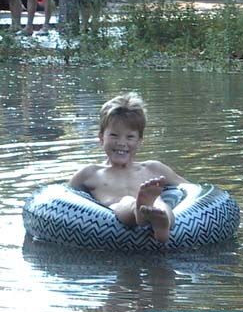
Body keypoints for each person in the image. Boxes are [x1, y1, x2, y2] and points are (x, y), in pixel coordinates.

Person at [68, 92, 189, 243]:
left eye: (130, 137)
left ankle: (162, 223)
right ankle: (139, 211)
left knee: (158, 203)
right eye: (114, 135)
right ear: (101, 138)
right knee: (127, 201)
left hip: (153, 206)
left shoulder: (154, 169)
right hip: (115, 214)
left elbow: (192, 190)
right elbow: (66, 200)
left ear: (140, 141)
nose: (121, 142)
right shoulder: (90, 173)